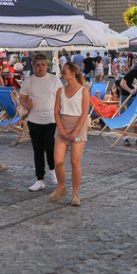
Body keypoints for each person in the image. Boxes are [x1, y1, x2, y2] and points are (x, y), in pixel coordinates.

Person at [18, 53, 61, 192]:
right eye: (37, 65)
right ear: (33, 66)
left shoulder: (54, 79)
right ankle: (40, 179)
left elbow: (61, 97)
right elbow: (22, 98)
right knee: (37, 150)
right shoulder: (28, 81)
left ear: (47, 65)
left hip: (50, 119)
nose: (40, 67)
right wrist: (28, 105)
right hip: (34, 120)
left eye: (43, 65)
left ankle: (53, 172)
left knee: (50, 146)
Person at [49, 62, 90, 207]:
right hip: (62, 127)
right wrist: (61, 129)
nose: (62, 73)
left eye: (65, 71)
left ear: (73, 72)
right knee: (58, 160)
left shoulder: (83, 91)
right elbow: (56, 111)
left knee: (75, 162)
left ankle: (75, 193)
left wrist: (75, 131)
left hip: (78, 127)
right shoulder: (61, 90)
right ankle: (61, 187)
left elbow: (85, 113)